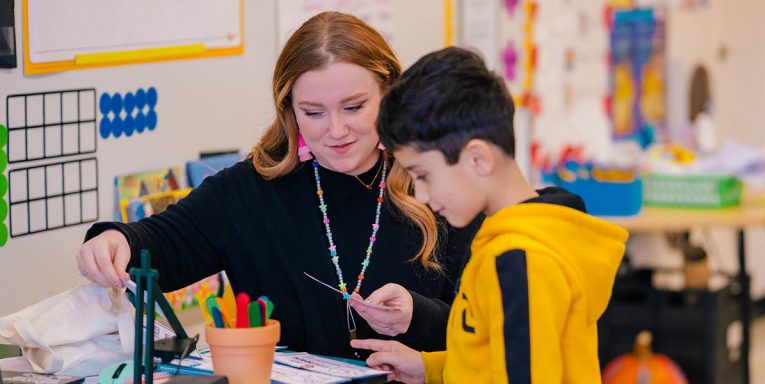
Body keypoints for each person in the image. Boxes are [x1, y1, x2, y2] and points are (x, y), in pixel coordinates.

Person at [74, 12, 478, 359]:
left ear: (390, 94)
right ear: (289, 110)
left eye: (354, 107)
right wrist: (116, 241)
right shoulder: (253, 188)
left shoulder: (438, 186)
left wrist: (418, 316)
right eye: (313, 112)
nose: (336, 130)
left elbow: (488, 327)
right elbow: (163, 243)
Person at [351, 47, 629, 383]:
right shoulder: (514, 239)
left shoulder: (519, 259)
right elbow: (492, 360)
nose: (421, 195)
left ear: (478, 159)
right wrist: (431, 369)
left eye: (423, 175)